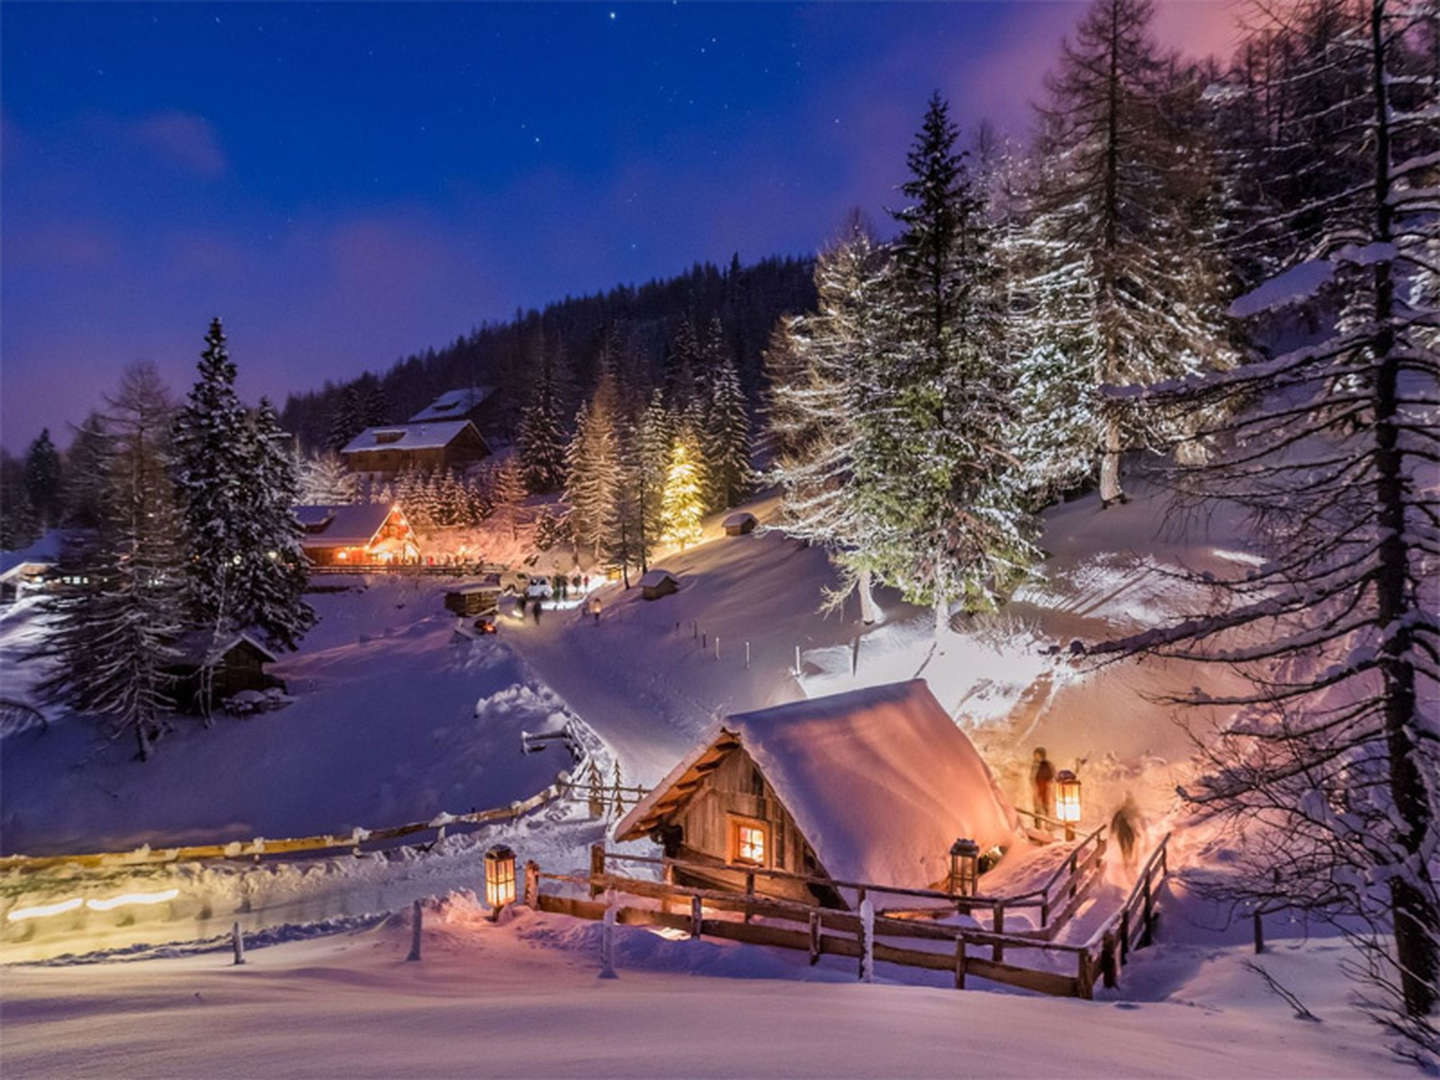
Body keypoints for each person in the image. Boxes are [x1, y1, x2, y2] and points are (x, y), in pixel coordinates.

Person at [1031, 747, 1055, 821]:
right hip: (1037, 785)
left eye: (1038, 755)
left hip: (1044, 785)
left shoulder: (1046, 765)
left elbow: (1051, 774)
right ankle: (1037, 822)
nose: (1036, 757)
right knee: (1037, 804)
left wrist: (1049, 781)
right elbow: (1032, 775)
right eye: (1035, 755)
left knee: (1044, 803)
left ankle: (1046, 820)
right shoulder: (1035, 765)